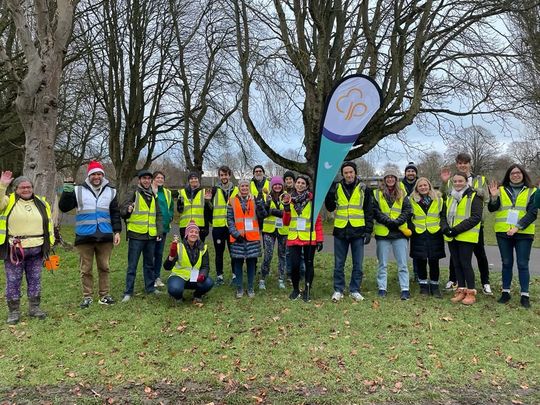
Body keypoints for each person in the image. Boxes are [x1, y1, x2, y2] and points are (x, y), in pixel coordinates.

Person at [59, 161, 122, 308]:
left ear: (103, 175)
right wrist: (68, 188)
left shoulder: (111, 191)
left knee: (104, 267)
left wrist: (117, 231)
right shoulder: (78, 190)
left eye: (99, 174)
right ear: (89, 176)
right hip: (84, 236)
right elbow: (64, 207)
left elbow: (115, 213)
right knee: (86, 269)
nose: (97, 176)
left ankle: (104, 296)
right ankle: (87, 297)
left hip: (105, 235)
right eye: (93, 174)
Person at [1, 172, 54, 324]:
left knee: (35, 279)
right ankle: (14, 312)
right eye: (22, 187)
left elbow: (48, 223)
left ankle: (34, 308)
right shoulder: (7, 200)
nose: (26, 190)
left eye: (29, 187)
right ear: (15, 189)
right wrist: (2, 186)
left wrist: (50, 242)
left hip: (37, 249)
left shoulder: (41, 202)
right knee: (13, 280)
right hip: (15, 250)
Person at [440, 152, 492, 295]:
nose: (463, 165)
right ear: (457, 164)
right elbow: (445, 198)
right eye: (460, 163)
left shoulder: (480, 179)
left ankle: (485, 282)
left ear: (470, 164)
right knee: (456, 257)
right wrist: (444, 183)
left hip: (475, 225)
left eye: (465, 162)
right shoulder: (451, 180)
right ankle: (454, 280)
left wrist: (471, 189)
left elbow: (486, 198)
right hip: (455, 226)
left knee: (480, 254)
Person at [488, 164, 537, 308]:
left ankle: (525, 295)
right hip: (503, 232)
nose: (515, 175)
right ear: (508, 175)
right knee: (506, 263)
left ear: (523, 174)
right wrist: (494, 197)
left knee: (522, 264)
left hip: (524, 233)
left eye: (518, 173)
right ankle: (505, 292)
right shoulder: (501, 190)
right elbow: (492, 209)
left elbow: (533, 213)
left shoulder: (533, 191)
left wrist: (517, 227)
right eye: (512, 173)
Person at [324, 161, 373, 302]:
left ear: (355, 172)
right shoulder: (337, 187)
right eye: (346, 172)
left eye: (351, 172)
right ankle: (338, 289)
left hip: (358, 230)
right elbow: (330, 207)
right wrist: (329, 193)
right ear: (342, 174)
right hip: (341, 230)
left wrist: (369, 231)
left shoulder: (364, 188)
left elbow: (369, 211)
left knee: (358, 263)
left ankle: (354, 289)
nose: (349, 175)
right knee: (339, 263)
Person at [120, 169, 163, 302]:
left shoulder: (153, 195)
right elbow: (122, 209)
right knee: (132, 265)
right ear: (139, 180)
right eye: (144, 178)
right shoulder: (133, 192)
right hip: (136, 235)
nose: (146, 181)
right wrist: (127, 210)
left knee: (149, 264)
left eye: (148, 179)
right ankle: (128, 292)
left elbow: (158, 215)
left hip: (150, 236)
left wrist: (159, 231)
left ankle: (150, 288)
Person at [282, 175, 324, 302]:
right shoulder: (288, 199)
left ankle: (307, 290)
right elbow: (286, 222)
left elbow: (317, 221)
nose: (300, 185)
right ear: (295, 184)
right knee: (294, 265)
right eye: (298, 182)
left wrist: (320, 239)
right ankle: (295, 289)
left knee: (309, 265)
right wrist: (286, 209)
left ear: (306, 186)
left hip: (309, 238)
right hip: (294, 237)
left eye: (303, 183)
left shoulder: (312, 200)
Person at [443, 171, 483, 305]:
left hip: (466, 236)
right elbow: (443, 214)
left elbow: (476, 217)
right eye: (455, 181)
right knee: (456, 264)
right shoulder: (450, 196)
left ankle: (471, 292)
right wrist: (445, 228)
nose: (458, 183)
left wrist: (455, 230)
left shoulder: (474, 196)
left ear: (466, 182)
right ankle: (461, 290)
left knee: (465, 264)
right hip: (451, 236)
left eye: (460, 181)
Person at [373, 168, 412, 300]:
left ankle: (405, 289)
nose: (390, 179)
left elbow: (407, 210)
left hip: (399, 234)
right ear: (384, 179)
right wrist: (389, 222)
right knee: (382, 263)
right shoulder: (377, 193)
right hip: (383, 233)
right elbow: (375, 211)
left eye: (392, 177)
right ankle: (382, 288)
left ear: (396, 179)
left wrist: (396, 222)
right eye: (387, 177)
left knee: (402, 263)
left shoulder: (403, 193)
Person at [408, 177, 446, 298]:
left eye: (425, 185)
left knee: (434, 261)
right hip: (418, 234)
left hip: (435, 233)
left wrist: (442, 227)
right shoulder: (411, 200)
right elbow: (408, 216)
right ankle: (423, 286)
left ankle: (435, 286)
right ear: (417, 188)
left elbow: (443, 215)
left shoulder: (439, 199)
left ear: (429, 186)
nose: (423, 187)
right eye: (420, 186)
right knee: (421, 261)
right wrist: (412, 229)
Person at [227, 179, 266, 298]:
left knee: (251, 263)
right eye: (242, 186)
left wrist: (260, 204)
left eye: (246, 186)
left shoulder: (255, 199)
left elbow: (262, 215)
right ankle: (239, 288)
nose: (244, 188)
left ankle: (250, 287)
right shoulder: (232, 201)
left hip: (252, 237)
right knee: (238, 263)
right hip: (237, 238)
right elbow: (230, 220)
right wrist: (235, 234)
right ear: (238, 187)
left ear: (249, 187)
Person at [162, 221, 214, 303]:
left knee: (208, 282)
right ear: (187, 234)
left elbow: (205, 266)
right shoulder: (179, 247)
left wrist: (202, 275)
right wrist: (170, 258)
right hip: (179, 276)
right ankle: (178, 297)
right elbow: (167, 267)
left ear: (198, 235)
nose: (194, 234)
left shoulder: (203, 247)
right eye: (191, 232)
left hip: (195, 277)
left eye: (196, 232)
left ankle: (197, 295)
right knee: (175, 289)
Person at [210, 166, 238, 286]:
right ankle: (219, 276)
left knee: (234, 252)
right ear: (219, 176)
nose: (224, 177)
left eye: (226, 175)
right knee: (219, 253)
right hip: (218, 227)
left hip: (232, 227)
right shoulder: (214, 190)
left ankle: (235, 275)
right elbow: (209, 208)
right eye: (221, 175)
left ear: (229, 175)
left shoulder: (236, 190)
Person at [259, 176, 288, 290]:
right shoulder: (266, 196)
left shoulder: (286, 197)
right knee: (268, 255)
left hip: (283, 230)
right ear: (272, 186)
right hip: (269, 230)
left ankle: (281, 278)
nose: (277, 186)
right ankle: (262, 278)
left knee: (282, 255)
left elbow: (286, 212)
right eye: (275, 184)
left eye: (279, 184)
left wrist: (272, 211)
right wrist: (268, 207)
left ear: (282, 185)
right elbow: (262, 213)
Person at [151, 171, 174, 289]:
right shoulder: (150, 191)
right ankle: (150, 277)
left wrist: (170, 216)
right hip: (151, 228)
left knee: (159, 253)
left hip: (163, 228)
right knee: (151, 253)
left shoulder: (167, 193)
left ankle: (157, 276)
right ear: (153, 179)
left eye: (162, 178)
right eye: (157, 177)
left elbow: (171, 207)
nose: (160, 179)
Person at [177, 172, 212, 241]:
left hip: (200, 227)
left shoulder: (204, 192)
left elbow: (208, 211)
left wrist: (208, 202)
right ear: (188, 181)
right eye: (191, 179)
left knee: (199, 250)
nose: (193, 180)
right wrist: (180, 205)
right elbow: (179, 210)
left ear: (198, 180)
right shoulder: (182, 192)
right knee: (186, 250)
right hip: (185, 226)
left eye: (195, 178)